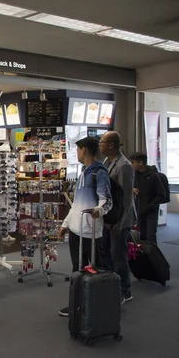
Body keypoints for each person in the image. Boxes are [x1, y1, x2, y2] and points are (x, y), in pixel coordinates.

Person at [58, 137, 113, 317]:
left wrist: (99, 210)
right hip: (76, 231)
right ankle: (78, 305)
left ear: (84, 150)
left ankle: (101, 306)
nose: (77, 154)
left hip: (92, 233)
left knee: (97, 269)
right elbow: (76, 205)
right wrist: (65, 224)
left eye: (78, 150)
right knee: (77, 269)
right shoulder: (83, 173)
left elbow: (107, 200)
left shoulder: (99, 173)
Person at [99, 131, 135, 304]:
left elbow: (127, 199)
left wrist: (120, 224)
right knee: (106, 253)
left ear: (111, 145)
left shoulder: (124, 166)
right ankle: (112, 286)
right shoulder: (108, 162)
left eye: (102, 142)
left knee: (118, 255)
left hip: (121, 220)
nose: (100, 145)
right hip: (109, 217)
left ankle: (125, 290)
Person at [130, 152, 166, 243]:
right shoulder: (134, 175)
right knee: (141, 235)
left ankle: (153, 256)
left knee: (150, 236)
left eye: (133, 162)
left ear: (141, 163)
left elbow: (161, 195)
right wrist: (132, 189)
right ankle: (143, 256)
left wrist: (150, 206)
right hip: (139, 210)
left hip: (151, 211)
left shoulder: (153, 176)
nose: (132, 165)